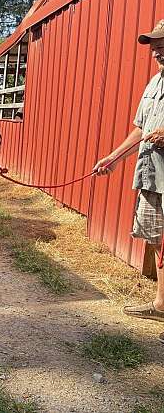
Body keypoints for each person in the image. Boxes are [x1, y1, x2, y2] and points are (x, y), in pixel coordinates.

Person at [93, 19, 164, 344]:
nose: (157, 52)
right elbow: (139, 128)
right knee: (158, 240)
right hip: (151, 175)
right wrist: (113, 157)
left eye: (162, 46)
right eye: (154, 47)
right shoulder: (154, 84)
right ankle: (161, 304)